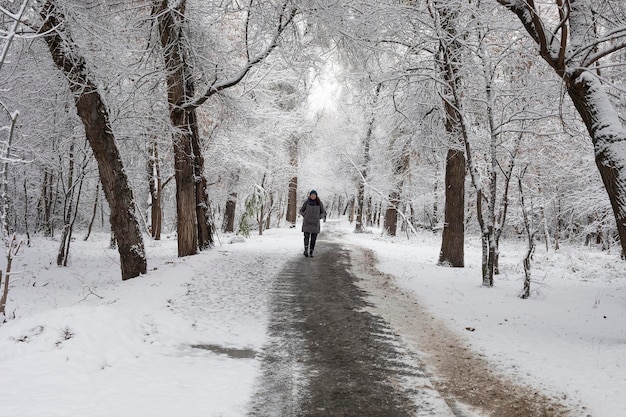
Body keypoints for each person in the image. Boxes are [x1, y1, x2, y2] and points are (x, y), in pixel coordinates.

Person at [299, 190, 326, 257]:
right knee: (306, 238)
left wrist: (319, 217)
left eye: (314, 195)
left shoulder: (319, 203)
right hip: (307, 223)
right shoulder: (306, 203)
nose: (313, 196)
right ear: (310, 195)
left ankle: (311, 251)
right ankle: (306, 250)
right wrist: (305, 215)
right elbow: (301, 210)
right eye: (312, 195)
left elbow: (323, 212)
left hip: (315, 224)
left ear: (316, 196)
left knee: (313, 239)